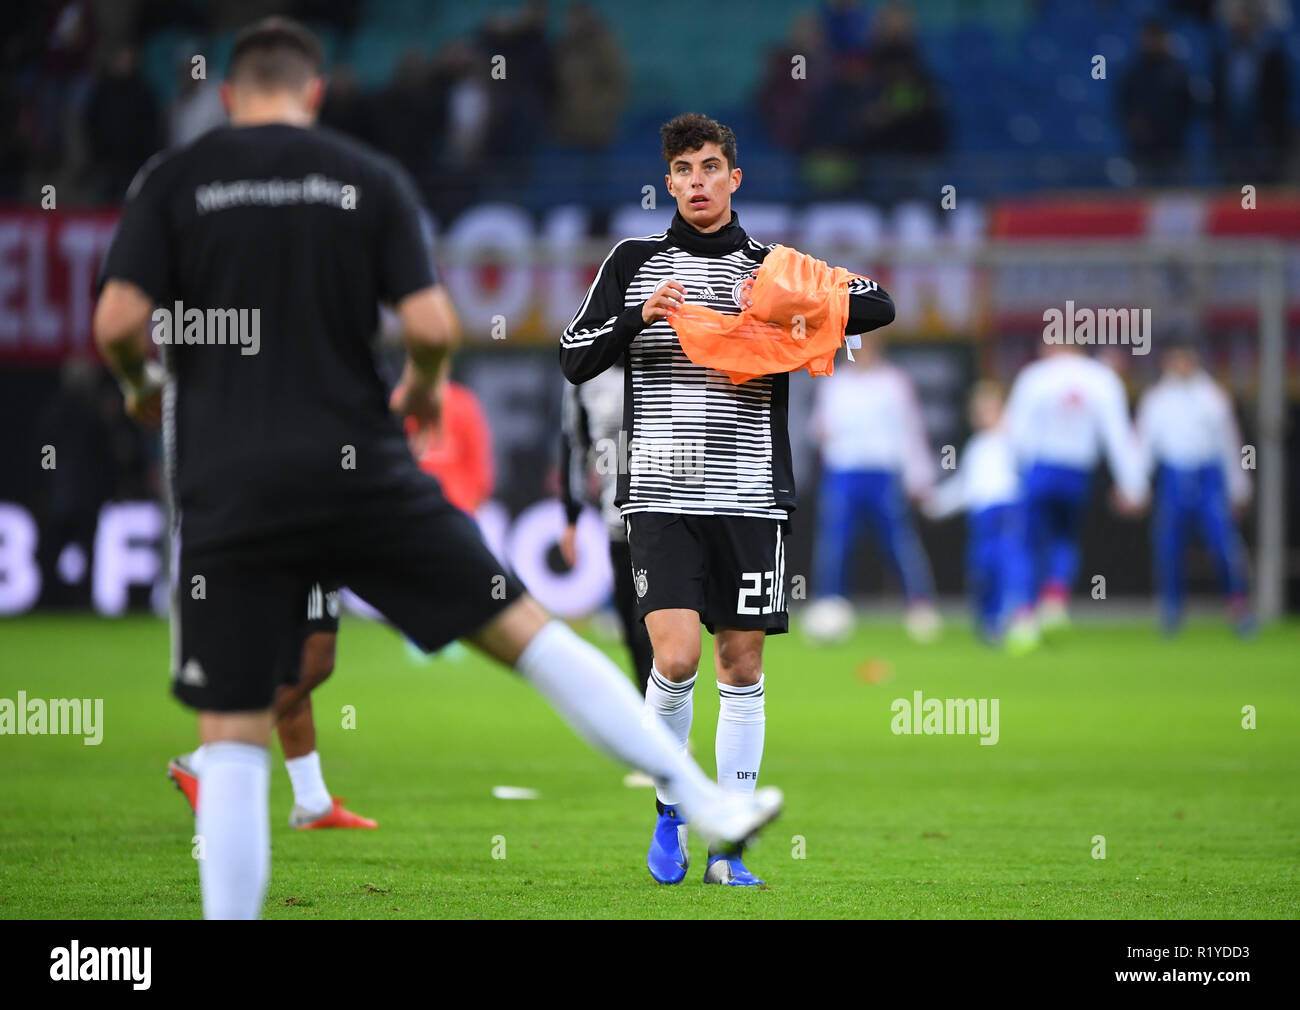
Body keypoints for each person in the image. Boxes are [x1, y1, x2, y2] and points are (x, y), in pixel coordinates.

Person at [93, 19, 780, 919]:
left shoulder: (171, 181)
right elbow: (429, 328)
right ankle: (704, 802)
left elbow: (114, 326)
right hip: (358, 467)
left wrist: (145, 389)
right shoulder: (364, 179)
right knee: (529, 636)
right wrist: (421, 394)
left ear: (226, 96)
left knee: (228, 737)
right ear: (317, 92)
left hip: (227, 482)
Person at [560, 113, 893, 887]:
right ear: (669, 181)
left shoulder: (771, 263)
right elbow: (576, 358)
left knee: (740, 665)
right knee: (673, 658)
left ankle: (728, 851)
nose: (699, 181)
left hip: (749, 494)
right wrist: (636, 316)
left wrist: (784, 304)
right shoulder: (634, 262)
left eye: (712, 167)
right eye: (685, 169)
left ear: (734, 178)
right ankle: (674, 811)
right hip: (659, 493)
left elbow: (876, 303)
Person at [166, 582, 376, 829]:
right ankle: (205, 759)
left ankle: (313, 801)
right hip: (303, 549)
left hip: (307, 550)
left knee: (293, 665)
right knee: (316, 660)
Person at [807, 331, 941, 643]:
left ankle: (920, 606)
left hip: (884, 473)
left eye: (868, 346)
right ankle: (829, 605)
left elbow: (911, 431)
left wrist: (920, 477)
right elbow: (818, 429)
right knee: (835, 544)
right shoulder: (834, 383)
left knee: (900, 542)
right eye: (856, 346)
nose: (862, 351)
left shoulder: (895, 382)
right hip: (844, 473)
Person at [559, 366, 656, 791]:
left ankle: (664, 735)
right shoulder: (585, 370)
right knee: (635, 627)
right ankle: (659, 737)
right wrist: (570, 518)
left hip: (668, 512)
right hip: (618, 519)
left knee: (669, 625)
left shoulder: (661, 353)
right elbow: (574, 444)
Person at [1003, 346, 1147, 632]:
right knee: (1064, 537)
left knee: (1029, 542)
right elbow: (1117, 435)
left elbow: (1016, 431)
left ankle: (1025, 613)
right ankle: (1055, 599)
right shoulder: (1102, 379)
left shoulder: (1035, 376)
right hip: (1077, 472)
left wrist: (1014, 473)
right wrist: (1134, 485)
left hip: (1040, 468)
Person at [1135, 338, 1253, 635]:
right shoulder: (1157, 399)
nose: (1179, 365)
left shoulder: (1213, 397)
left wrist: (1239, 486)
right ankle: (1172, 611)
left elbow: (1229, 445)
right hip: (1173, 478)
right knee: (1169, 549)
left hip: (1208, 477)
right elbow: (1144, 447)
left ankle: (1237, 605)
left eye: (1184, 358)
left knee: (1224, 546)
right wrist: (1136, 485)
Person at [923, 382, 1037, 653]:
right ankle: (989, 623)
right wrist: (936, 503)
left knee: (1011, 564)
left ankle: (1021, 617)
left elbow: (1030, 473)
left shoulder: (1017, 440)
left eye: (990, 409)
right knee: (982, 569)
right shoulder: (976, 447)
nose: (984, 415)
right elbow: (965, 487)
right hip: (981, 517)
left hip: (1009, 511)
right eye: (979, 410)